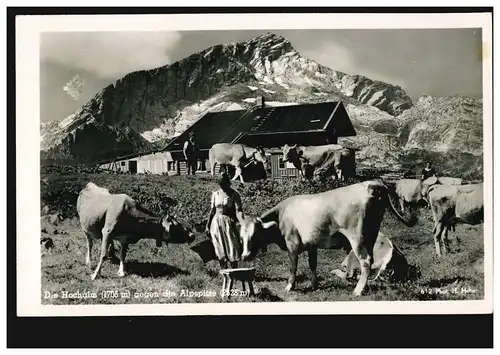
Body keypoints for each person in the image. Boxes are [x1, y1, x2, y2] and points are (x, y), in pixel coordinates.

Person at [205, 173, 244, 269]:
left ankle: (234, 270)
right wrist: (208, 225)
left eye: (224, 183)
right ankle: (224, 271)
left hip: (228, 222)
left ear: (228, 183)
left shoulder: (234, 194)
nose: (222, 186)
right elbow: (212, 211)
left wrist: (242, 222)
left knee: (231, 244)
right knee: (218, 246)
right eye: (221, 183)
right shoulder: (216, 194)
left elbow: (238, 210)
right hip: (216, 223)